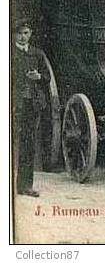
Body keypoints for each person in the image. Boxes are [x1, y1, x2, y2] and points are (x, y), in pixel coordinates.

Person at [14, 22, 50, 197]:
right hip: (13, 104)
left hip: (30, 104)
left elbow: (47, 78)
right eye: (19, 33)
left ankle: (25, 186)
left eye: (26, 33)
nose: (23, 36)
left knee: (28, 144)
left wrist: (39, 77)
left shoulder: (37, 54)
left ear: (31, 33)